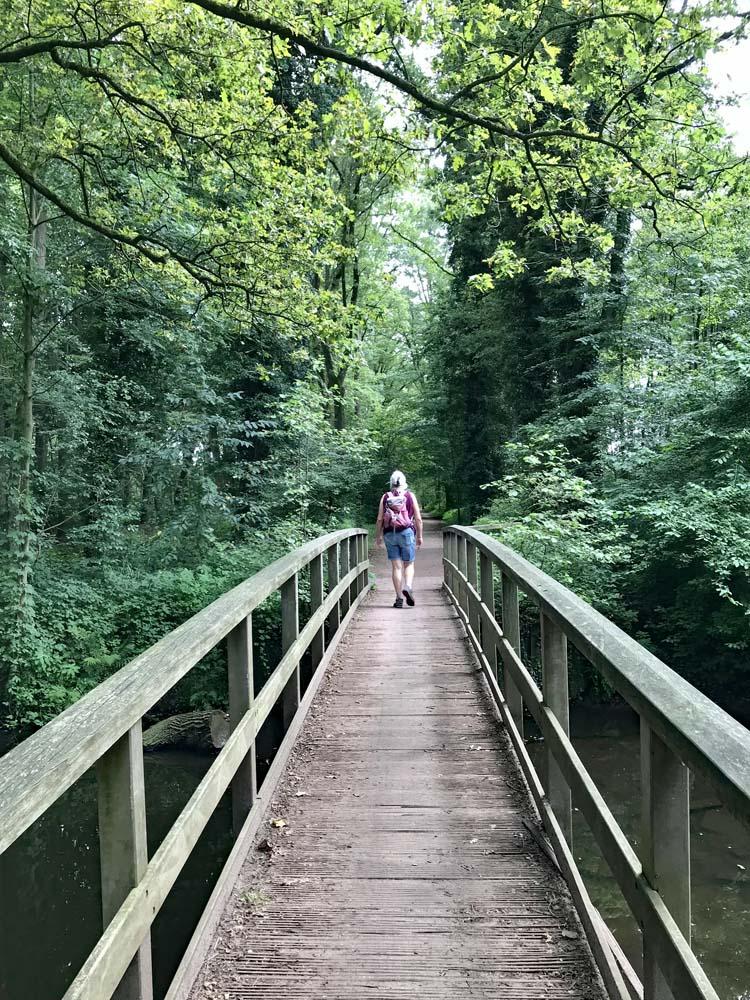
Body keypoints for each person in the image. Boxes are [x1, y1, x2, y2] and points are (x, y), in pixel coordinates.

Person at [375, 470, 423, 608]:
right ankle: (408, 586)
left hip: (390, 534)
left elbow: (379, 519)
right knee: (408, 563)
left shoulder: (385, 496)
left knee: (396, 567)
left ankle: (398, 599)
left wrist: (378, 536)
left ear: (391, 482)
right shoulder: (409, 495)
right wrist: (419, 536)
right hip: (406, 532)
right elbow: (418, 519)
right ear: (404, 482)